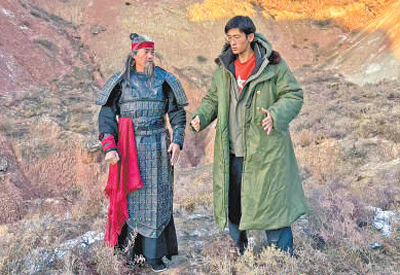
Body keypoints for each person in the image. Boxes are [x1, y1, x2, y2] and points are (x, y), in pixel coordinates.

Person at [191, 16, 306, 255]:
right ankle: (237, 253)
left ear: (250, 37)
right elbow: (213, 99)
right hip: (232, 151)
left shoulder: (272, 66)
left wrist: (275, 114)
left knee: (272, 203)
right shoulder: (224, 70)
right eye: (229, 38)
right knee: (234, 205)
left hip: (266, 151)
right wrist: (201, 116)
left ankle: (283, 258)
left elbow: (293, 95)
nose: (232, 42)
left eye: (237, 37)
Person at [96, 33, 188, 272]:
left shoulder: (164, 80)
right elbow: (106, 117)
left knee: (157, 200)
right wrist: (109, 147)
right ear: (134, 54)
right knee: (132, 200)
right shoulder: (120, 83)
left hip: (158, 148)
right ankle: (129, 254)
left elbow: (177, 114)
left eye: (152, 52)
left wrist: (177, 141)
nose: (150, 56)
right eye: (146, 52)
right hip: (129, 150)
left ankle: (154, 256)